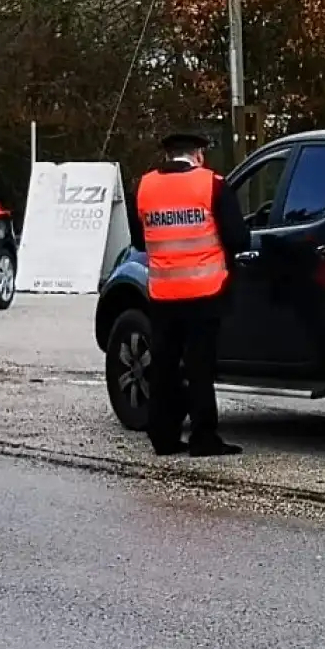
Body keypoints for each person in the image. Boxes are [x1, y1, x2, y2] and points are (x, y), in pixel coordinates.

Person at [127, 131, 251, 457]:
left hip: (163, 292)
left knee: (164, 366)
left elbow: (140, 242)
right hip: (205, 290)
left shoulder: (144, 187)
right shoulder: (212, 185)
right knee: (199, 367)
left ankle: (163, 437)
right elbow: (239, 238)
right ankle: (203, 436)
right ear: (197, 154)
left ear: (168, 155)